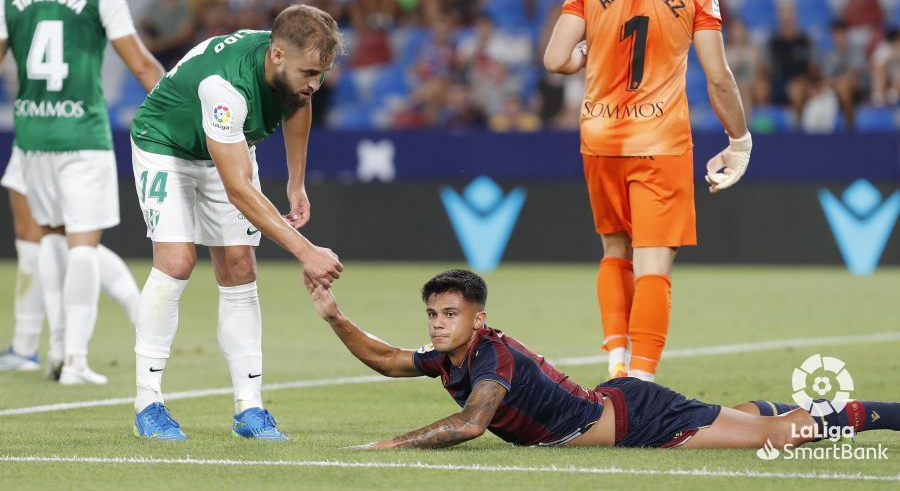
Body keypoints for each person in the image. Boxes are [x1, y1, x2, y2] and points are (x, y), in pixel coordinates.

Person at [308, 269, 900, 450]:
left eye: (449, 314)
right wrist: (335, 317)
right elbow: (386, 359)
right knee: (743, 416)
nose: (438, 324)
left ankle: (891, 414)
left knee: (774, 436)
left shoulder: (492, 360)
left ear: (477, 318)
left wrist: (390, 445)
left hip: (638, 420)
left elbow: (470, 425)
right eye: (433, 314)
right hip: (622, 402)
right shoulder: (449, 358)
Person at [543, 0, 751, 382]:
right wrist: (739, 140)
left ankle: (615, 364)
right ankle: (640, 381)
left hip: (599, 141)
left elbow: (553, 59)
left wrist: (583, 58)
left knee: (615, 252)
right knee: (654, 263)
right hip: (659, 143)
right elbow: (718, 77)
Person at [128, 4, 344, 441]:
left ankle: (250, 409)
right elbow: (240, 191)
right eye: (308, 72)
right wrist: (306, 252)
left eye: (321, 74)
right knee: (177, 261)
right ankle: (147, 402)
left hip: (225, 145)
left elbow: (298, 106)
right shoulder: (225, 87)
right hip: (165, 145)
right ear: (277, 55)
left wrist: (296, 185)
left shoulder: (292, 70)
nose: (315, 84)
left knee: (240, 268)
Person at [0, 0, 165, 384]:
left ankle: (53, 349)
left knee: (50, 238)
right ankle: (74, 360)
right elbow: (139, 64)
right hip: (82, 136)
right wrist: (179, 105)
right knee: (84, 245)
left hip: (32, 137)